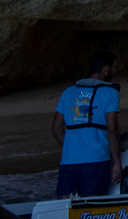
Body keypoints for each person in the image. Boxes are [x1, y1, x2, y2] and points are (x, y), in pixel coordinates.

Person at [51, 51, 122, 197]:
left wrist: (73, 149)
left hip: (68, 162)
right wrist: (117, 163)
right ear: (105, 69)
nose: (114, 71)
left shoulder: (68, 92)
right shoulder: (110, 93)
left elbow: (56, 129)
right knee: (92, 208)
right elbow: (112, 130)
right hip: (96, 161)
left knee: (65, 207)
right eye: (113, 68)